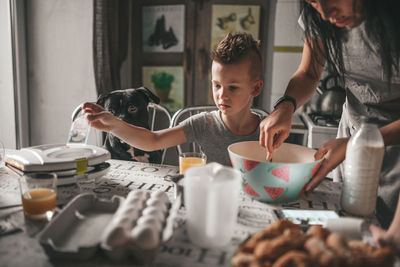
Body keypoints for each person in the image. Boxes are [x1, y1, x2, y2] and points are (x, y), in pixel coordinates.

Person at [259, 0, 400, 227]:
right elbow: (308, 72)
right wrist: (286, 105)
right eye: (313, 2)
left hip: (390, 149)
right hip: (352, 135)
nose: (324, 13)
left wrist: (358, 143)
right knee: (350, 229)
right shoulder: (322, 16)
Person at [83, 32, 264, 166]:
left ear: (255, 88)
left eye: (233, 87)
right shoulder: (203, 123)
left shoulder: (269, 129)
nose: (221, 95)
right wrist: (114, 124)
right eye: (217, 85)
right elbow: (153, 141)